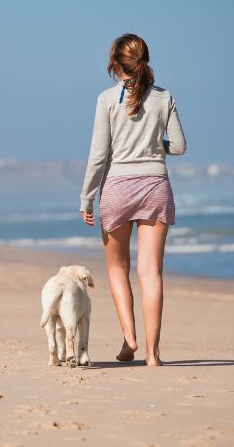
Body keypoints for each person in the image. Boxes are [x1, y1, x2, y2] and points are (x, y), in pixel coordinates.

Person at [79, 33, 187, 367]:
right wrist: (156, 147)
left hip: (117, 189)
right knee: (151, 272)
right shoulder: (164, 97)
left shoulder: (107, 99)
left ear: (114, 64)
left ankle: (130, 339)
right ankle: (153, 355)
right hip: (156, 186)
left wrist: (86, 198)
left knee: (116, 268)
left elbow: (99, 156)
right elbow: (180, 146)